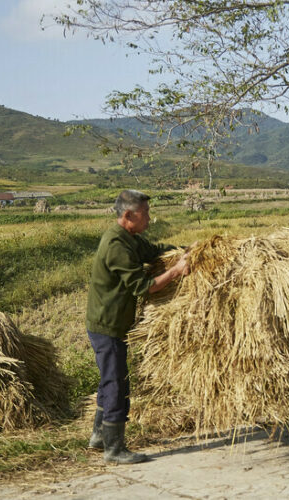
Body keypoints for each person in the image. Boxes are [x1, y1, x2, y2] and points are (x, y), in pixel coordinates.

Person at [85, 189, 188, 464]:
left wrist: (184, 251)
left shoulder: (130, 238)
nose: (149, 219)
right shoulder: (116, 246)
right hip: (107, 324)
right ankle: (114, 449)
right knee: (117, 383)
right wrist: (176, 271)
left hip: (113, 323)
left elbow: (154, 252)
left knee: (111, 379)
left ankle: (98, 436)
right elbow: (145, 287)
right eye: (145, 214)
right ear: (128, 215)